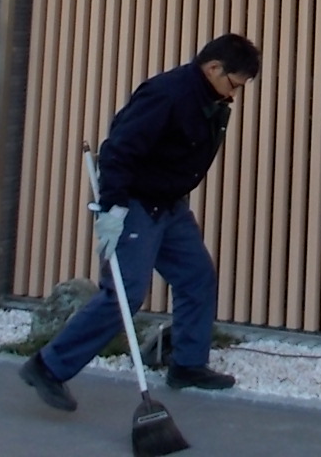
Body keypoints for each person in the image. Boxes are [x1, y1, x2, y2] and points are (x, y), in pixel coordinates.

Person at [19, 32, 262, 412]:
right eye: (234, 84)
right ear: (213, 68)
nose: (234, 94)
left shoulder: (209, 100)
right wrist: (112, 210)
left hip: (170, 206)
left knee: (196, 276)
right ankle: (48, 367)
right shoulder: (167, 94)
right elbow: (118, 150)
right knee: (125, 292)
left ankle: (187, 365)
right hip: (134, 203)